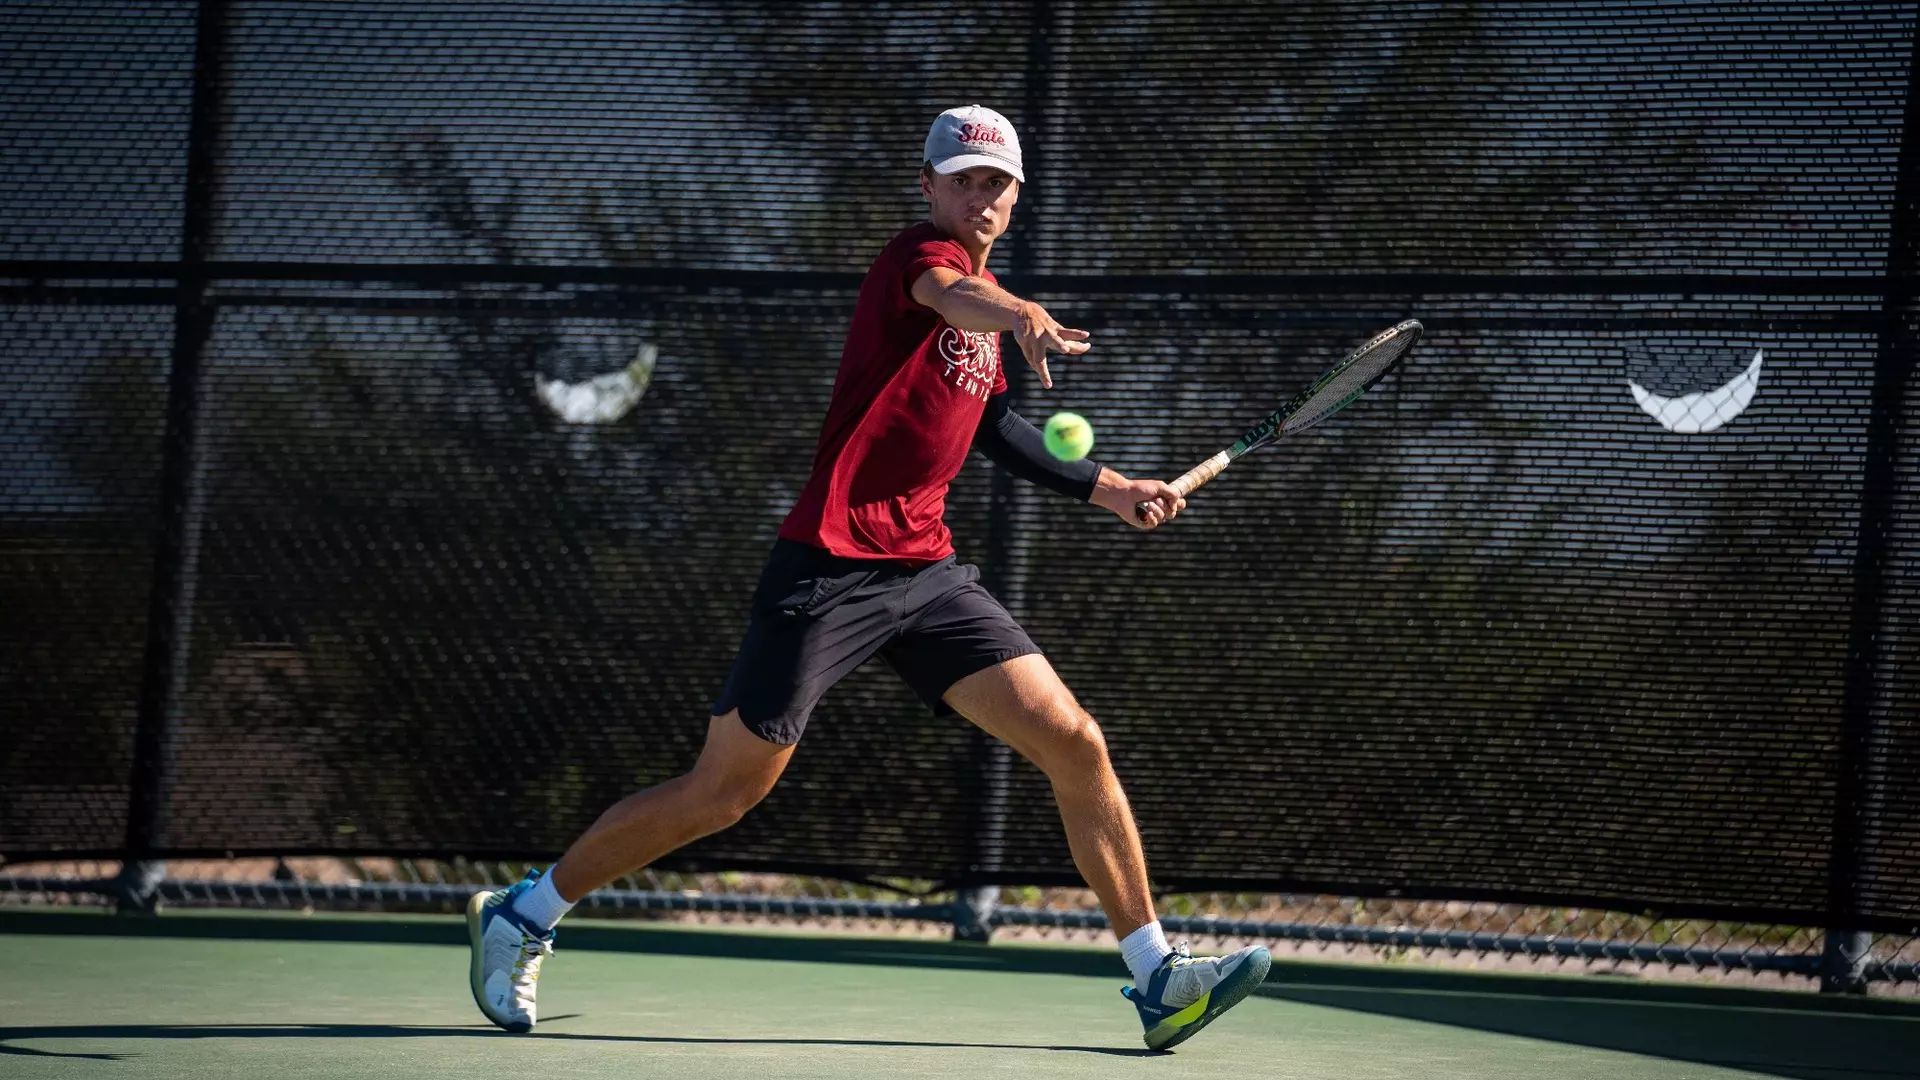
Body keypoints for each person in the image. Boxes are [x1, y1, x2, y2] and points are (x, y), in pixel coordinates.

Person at [467, 104, 1270, 1051]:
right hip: (829, 565)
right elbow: (949, 297)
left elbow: (998, 431)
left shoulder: (987, 297)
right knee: (723, 793)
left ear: (1015, 197)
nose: (981, 194)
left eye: (997, 181)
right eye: (963, 177)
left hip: (926, 571)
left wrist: (1113, 489)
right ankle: (523, 914)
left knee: (1075, 742)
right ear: (930, 187)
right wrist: (1021, 316)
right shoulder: (917, 261)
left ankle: (1158, 978)